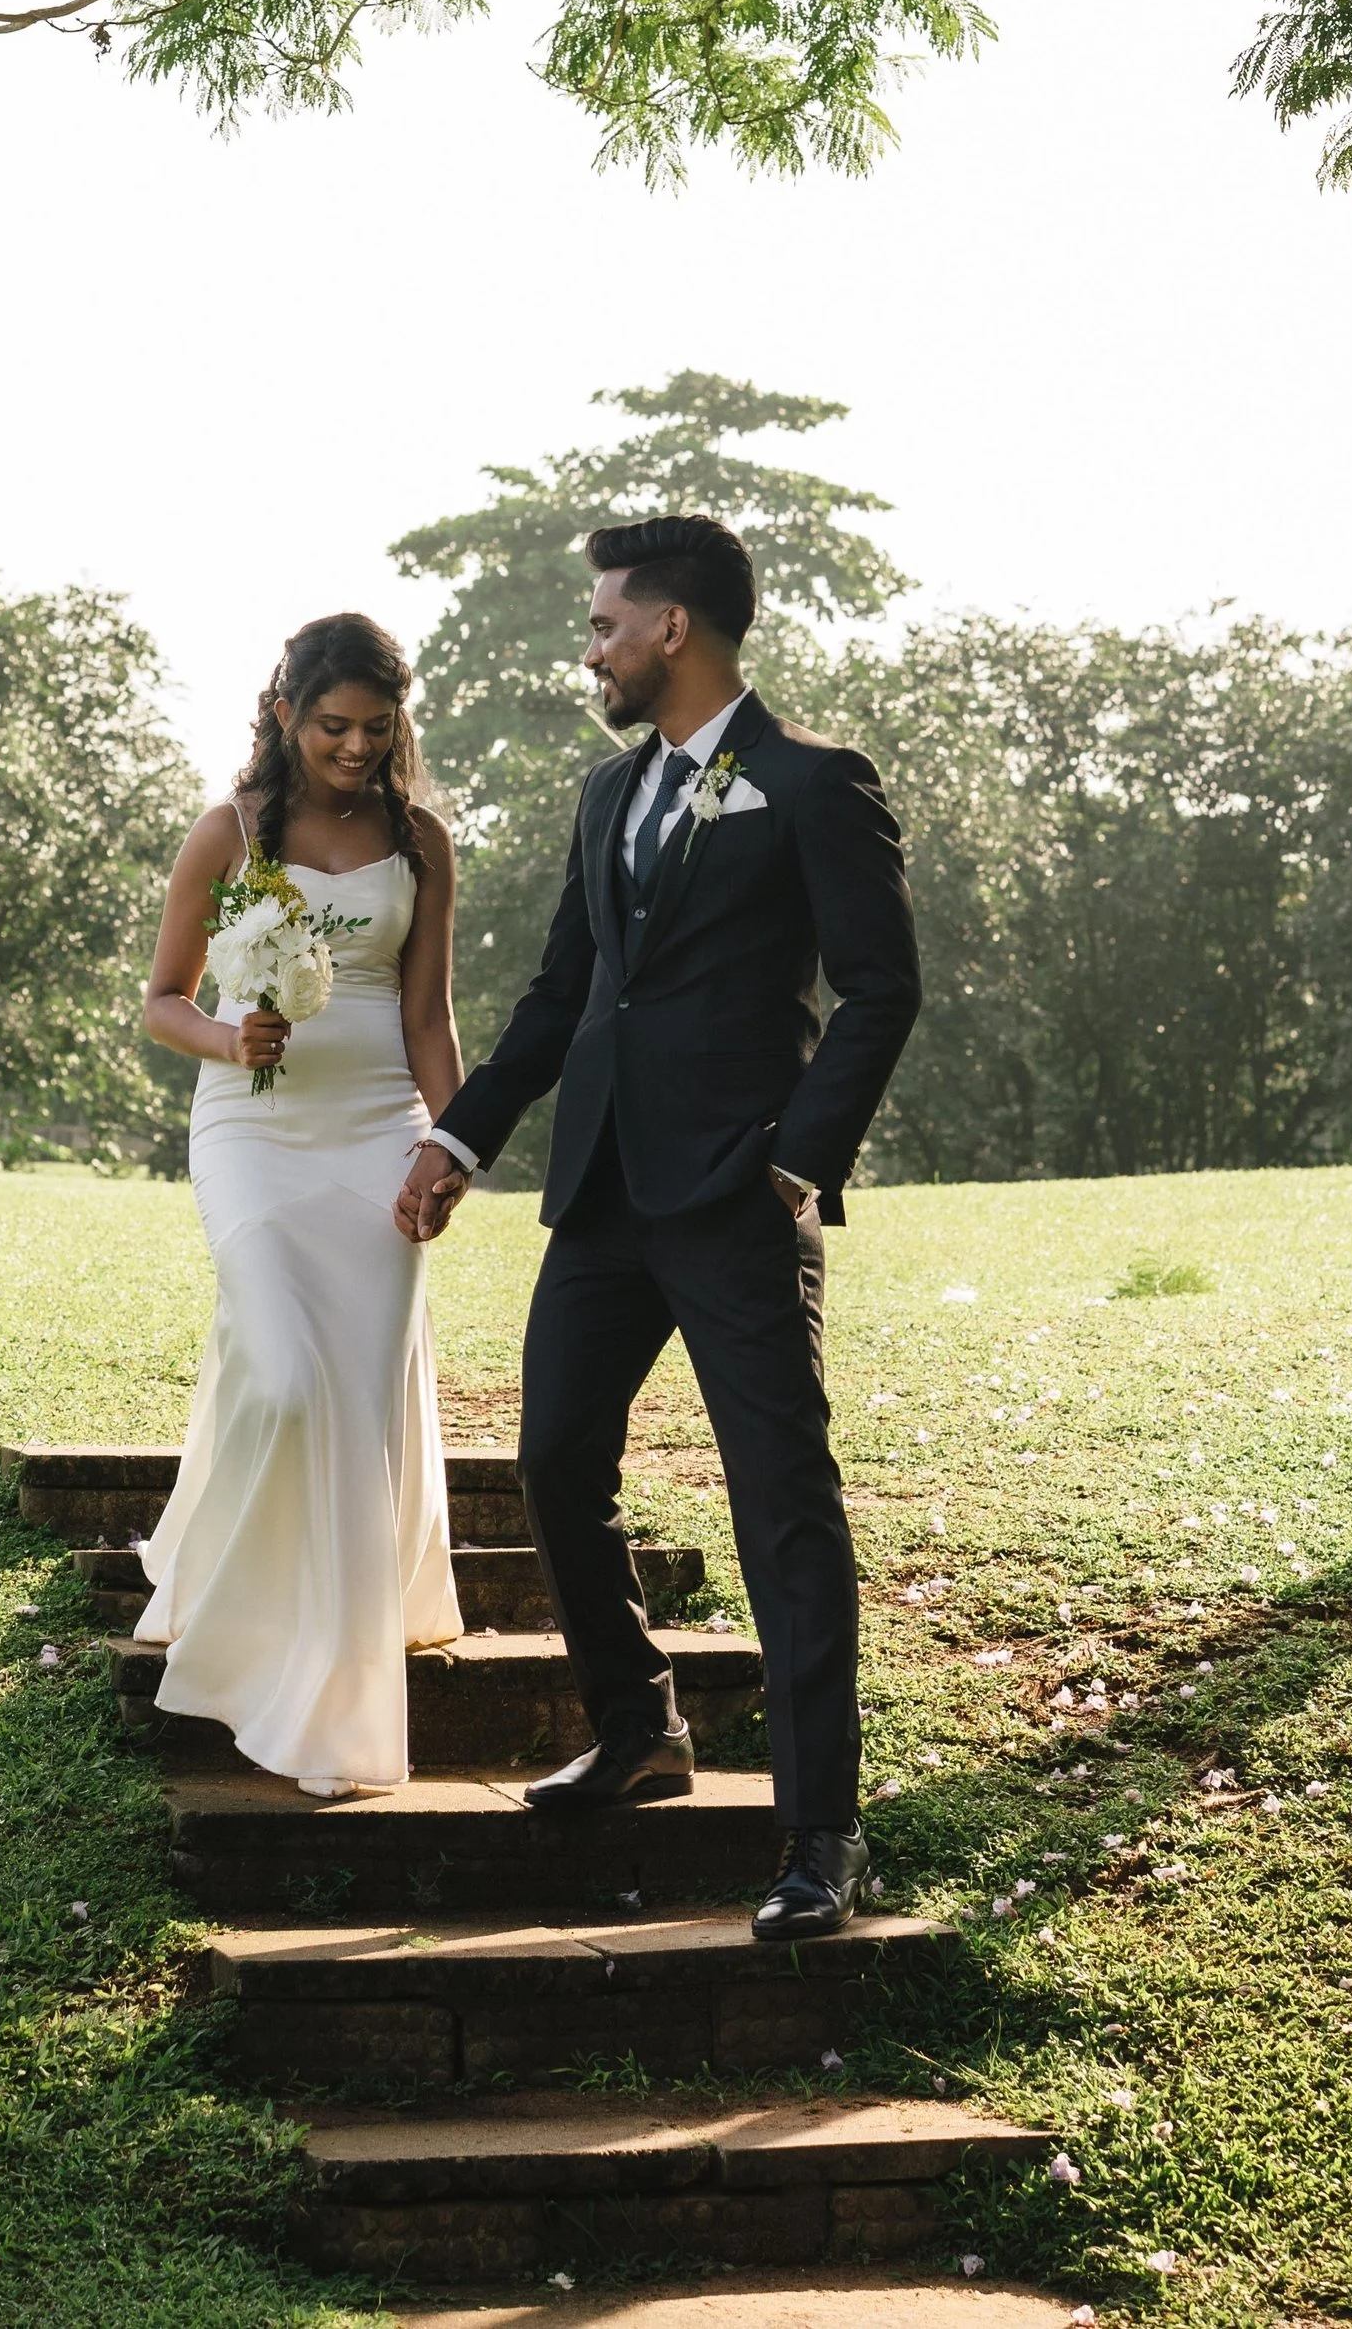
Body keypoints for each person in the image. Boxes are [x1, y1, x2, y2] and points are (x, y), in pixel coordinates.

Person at [393, 515, 920, 1940]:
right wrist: (460, 1133)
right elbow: (566, 995)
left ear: (674, 627)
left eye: (606, 622)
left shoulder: (816, 782)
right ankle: (639, 1726)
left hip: (743, 1199)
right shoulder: (603, 794)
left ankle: (823, 1831)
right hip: (608, 1194)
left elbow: (881, 988)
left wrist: (799, 1166)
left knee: (781, 1505)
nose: (592, 646)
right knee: (555, 1456)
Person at [139, 612, 464, 1794]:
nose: (356, 748)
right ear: (286, 713)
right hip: (257, 1134)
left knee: (362, 1393)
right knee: (280, 1373)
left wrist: (454, 1144)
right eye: (334, 725)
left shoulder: (420, 839)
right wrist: (231, 1039)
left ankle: (337, 1675)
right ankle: (247, 1629)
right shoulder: (228, 833)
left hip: (383, 1130)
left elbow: (427, 1015)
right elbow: (161, 1001)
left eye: (378, 729)